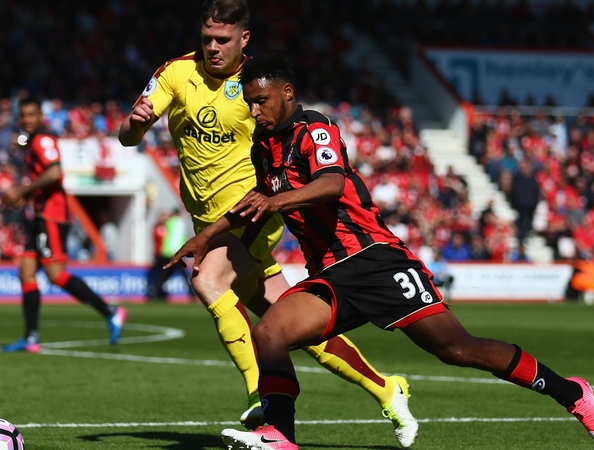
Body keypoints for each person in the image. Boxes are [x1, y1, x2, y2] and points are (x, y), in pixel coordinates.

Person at [168, 54, 594, 449]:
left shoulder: (315, 129)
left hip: (376, 259)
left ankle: (571, 393)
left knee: (458, 350)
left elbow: (332, 184)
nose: (254, 109)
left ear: (286, 93)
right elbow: (257, 205)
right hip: (331, 275)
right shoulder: (263, 148)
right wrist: (208, 237)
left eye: (261, 100)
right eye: (248, 102)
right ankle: (280, 435)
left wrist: (275, 202)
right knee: (270, 333)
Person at [120, 1, 417, 444]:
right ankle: (386, 388)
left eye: (223, 40)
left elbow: (293, 134)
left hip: (252, 211)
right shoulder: (175, 73)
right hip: (208, 220)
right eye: (207, 40)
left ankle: (262, 395)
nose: (213, 48)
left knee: (207, 279)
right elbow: (127, 136)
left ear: (244, 40)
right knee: (291, 323)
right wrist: (137, 125)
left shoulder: (257, 86)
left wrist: (283, 192)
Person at [2, 98, 128, 353]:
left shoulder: (43, 140)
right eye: (23, 115)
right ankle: (31, 338)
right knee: (26, 272)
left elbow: (54, 173)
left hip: (53, 215)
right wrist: (25, 196)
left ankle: (111, 312)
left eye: (31, 114)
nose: (26, 119)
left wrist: (22, 190)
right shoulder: (31, 140)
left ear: (40, 116)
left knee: (56, 274)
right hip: (40, 214)